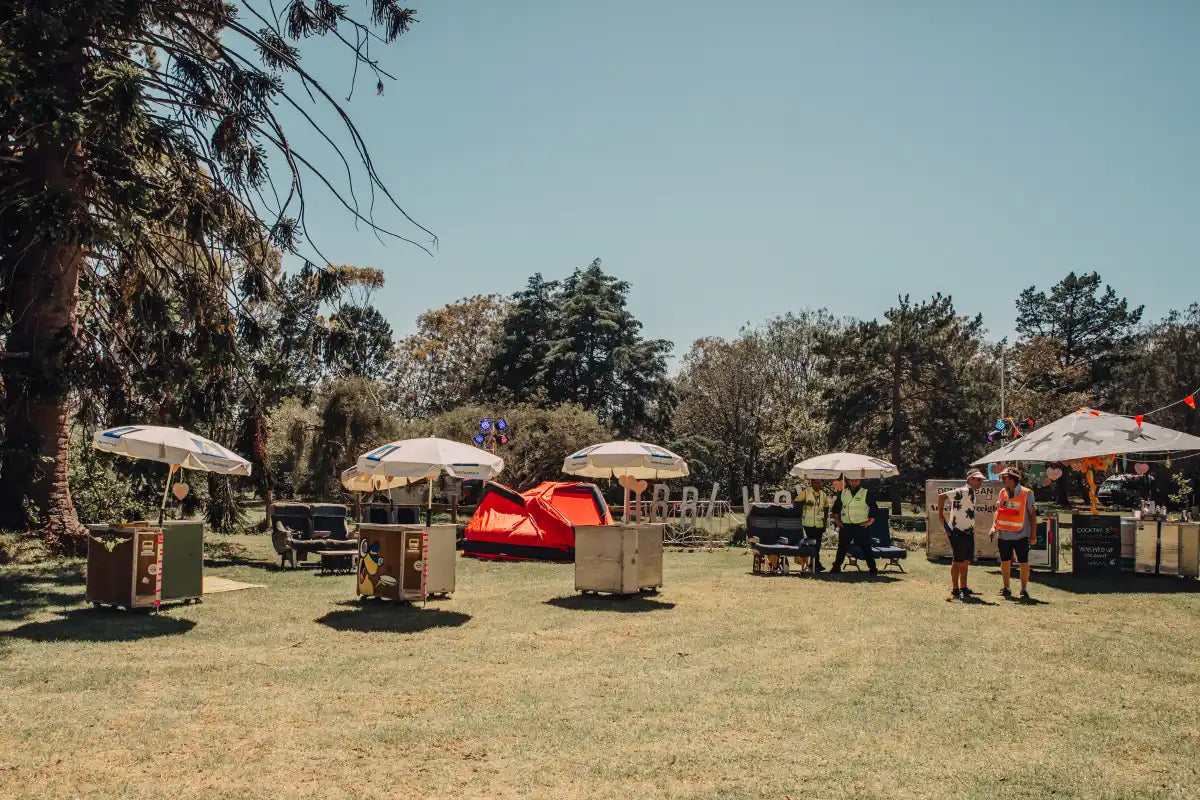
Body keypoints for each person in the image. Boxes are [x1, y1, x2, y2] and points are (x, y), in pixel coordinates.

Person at [990, 467, 1037, 600]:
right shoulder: (1002, 492)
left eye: (1005, 478)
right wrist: (993, 526)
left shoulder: (1027, 493)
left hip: (1021, 535)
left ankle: (1023, 590)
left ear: (1013, 479)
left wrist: (1033, 534)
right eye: (1002, 478)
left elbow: (1032, 514)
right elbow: (998, 511)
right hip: (1004, 534)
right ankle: (1006, 588)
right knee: (1005, 561)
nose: (1002, 480)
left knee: (1023, 562)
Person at [938, 469, 985, 601]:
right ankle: (955, 589)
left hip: (968, 531)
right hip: (957, 530)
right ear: (970, 479)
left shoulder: (972, 493)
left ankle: (963, 587)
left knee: (965, 561)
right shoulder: (962, 491)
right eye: (978, 479)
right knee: (958, 561)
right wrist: (941, 516)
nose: (980, 482)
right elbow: (942, 496)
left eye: (981, 480)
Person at [830, 476, 879, 575]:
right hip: (846, 525)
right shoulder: (843, 492)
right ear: (849, 481)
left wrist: (870, 521)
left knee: (866, 548)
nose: (853, 483)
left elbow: (874, 508)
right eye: (852, 480)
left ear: (859, 481)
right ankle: (836, 568)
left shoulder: (865, 492)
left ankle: (873, 569)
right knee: (842, 548)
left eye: (856, 480)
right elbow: (835, 508)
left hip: (861, 525)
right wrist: (837, 520)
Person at [793, 479, 830, 572]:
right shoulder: (806, 492)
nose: (818, 484)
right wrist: (805, 503)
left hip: (819, 524)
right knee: (813, 544)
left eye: (820, 482)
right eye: (816, 482)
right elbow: (796, 504)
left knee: (817, 545)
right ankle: (815, 564)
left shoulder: (823, 494)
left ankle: (814, 564)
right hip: (808, 524)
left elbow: (826, 508)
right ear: (812, 483)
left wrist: (825, 524)